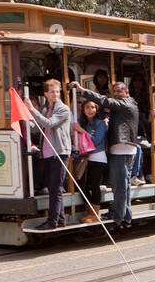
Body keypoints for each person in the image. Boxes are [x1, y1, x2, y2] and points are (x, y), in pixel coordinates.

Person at [70, 79, 140, 227]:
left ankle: (118, 215)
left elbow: (103, 101)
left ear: (127, 92)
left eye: (119, 91)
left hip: (122, 149)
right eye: (114, 92)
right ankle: (125, 214)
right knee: (124, 185)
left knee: (119, 185)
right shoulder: (123, 106)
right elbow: (103, 109)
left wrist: (83, 90)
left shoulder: (126, 103)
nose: (116, 94)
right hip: (121, 149)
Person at [24, 78, 72, 230]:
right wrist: (25, 118)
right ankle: (61, 220)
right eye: (52, 92)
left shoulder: (63, 109)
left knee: (56, 188)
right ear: (46, 94)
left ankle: (52, 222)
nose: (55, 94)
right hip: (48, 152)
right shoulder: (46, 109)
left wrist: (32, 109)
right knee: (53, 188)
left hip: (60, 152)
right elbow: (38, 126)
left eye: (57, 92)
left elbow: (49, 123)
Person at [73, 98, 108, 215]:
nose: (90, 110)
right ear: (83, 110)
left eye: (93, 107)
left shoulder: (101, 123)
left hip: (97, 157)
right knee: (81, 185)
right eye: (87, 107)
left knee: (94, 185)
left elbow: (95, 141)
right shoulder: (83, 123)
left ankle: (94, 213)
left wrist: (82, 131)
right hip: (84, 158)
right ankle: (90, 210)